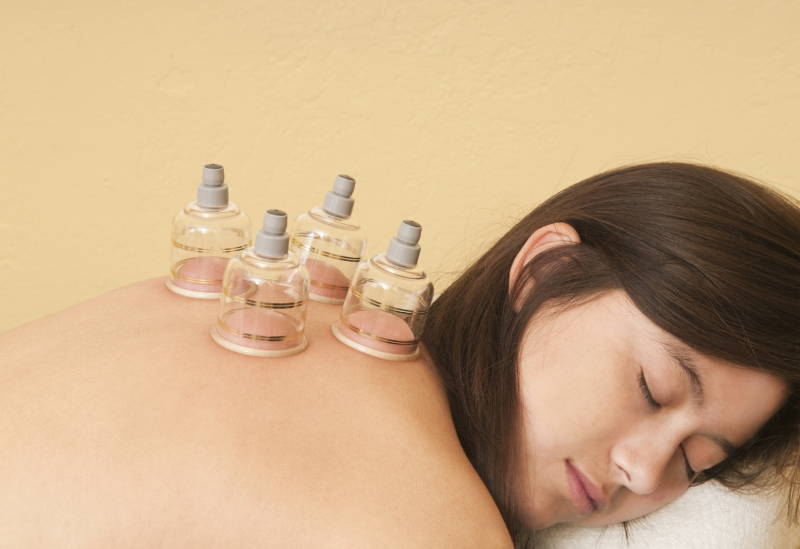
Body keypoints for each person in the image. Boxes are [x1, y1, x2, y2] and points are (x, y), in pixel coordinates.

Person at [0, 162, 797, 548]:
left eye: (696, 459)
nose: (644, 472)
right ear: (545, 270)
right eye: (652, 387)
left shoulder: (288, 301)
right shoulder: (432, 522)